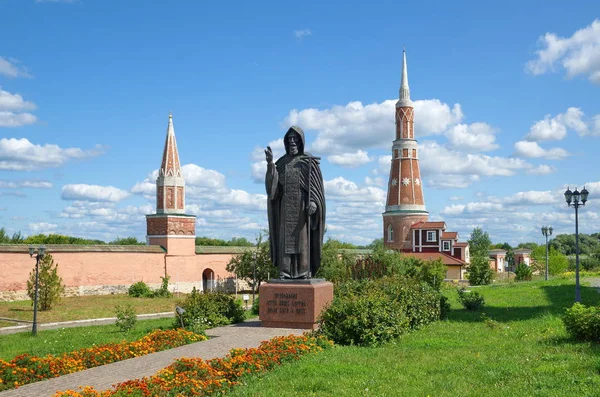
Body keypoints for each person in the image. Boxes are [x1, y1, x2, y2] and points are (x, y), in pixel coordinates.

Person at [265, 126, 326, 279]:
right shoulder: (281, 163)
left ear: (300, 141)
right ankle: (285, 271)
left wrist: (314, 202)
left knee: (302, 241)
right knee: (286, 240)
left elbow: (316, 189)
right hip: (286, 208)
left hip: (302, 208)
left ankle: (304, 271)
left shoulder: (308, 161)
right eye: (289, 139)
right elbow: (274, 191)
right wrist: (270, 164)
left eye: (295, 138)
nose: (292, 141)